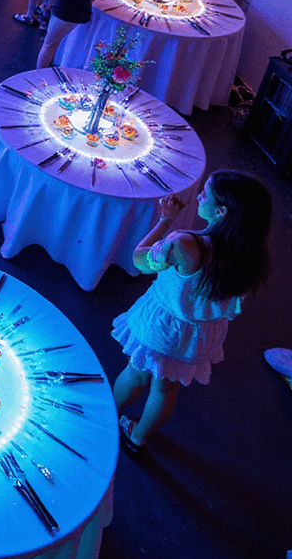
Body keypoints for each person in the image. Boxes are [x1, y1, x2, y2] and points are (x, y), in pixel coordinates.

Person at [112, 171, 272, 458]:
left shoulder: (185, 244)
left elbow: (140, 259)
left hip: (163, 327)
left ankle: (109, 415)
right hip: (200, 335)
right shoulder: (249, 253)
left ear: (221, 211)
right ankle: (138, 439)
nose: (199, 197)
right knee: (165, 390)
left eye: (205, 194)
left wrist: (165, 220)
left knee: (136, 374)